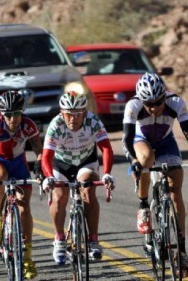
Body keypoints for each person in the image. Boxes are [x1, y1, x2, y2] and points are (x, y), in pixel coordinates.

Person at [123, 72, 188, 278]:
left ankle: (182, 251)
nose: (154, 108)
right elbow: (127, 139)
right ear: (142, 100)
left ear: (164, 97)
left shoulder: (176, 102)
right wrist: (134, 162)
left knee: (176, 192)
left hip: (166, 143)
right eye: (149, 104)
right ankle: (143, 206)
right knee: (146, 159)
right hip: (141, 141)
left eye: (158, 102)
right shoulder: (133, 106)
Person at [41, 92, 115, 264]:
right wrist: (49, 177)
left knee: (88, 190)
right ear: (61, 112)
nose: (72, 119)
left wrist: (107, 173)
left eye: (77, 114)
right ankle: (59, 239)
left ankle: (93, 240)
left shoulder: (93, 121)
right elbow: (46, 157)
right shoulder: (56, 125)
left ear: (84, 112)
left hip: (85, 162)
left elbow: (106, 149)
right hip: (62, 164)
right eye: (68, 114)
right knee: (60, 197)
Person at [0, 90, 43, 280]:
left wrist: (39, 169)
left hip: (18, 161)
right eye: (8, 114)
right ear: (1, 114)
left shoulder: (28, 125)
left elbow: (39, 150)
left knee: (24, 206)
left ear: (21, 111)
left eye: (16, 114)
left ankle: (28, 257)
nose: (12, 119)